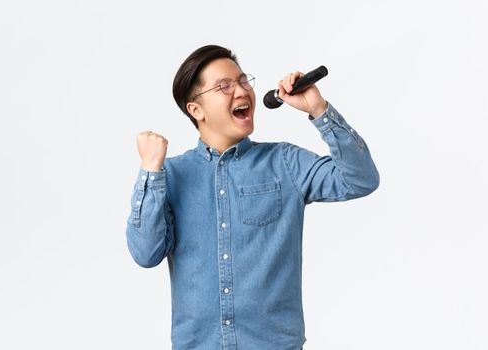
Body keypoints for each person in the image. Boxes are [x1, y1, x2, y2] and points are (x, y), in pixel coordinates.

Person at [126, 44, 379, 350]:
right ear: (196, 110)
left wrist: (318, 108)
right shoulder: (170, 175)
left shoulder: (285, 163)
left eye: (244, 81)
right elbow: (145, 254)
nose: (242, 91)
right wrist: (150, 171)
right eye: (225, 86)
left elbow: (361, 179)